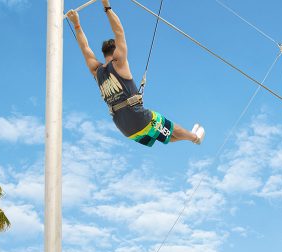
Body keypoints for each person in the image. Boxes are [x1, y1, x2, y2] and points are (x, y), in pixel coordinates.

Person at [67, 0, 204, 147]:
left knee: (164, 135)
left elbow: (85, 48)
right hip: (138, 116)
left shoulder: (96, 71)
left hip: (125, 128)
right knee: (170, 127)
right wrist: (106, 6)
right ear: (116, 49)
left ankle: (191, 137)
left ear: (104, 52)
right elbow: (119, 31)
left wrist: (76, 24)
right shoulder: (119, 62)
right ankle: (195, 137)